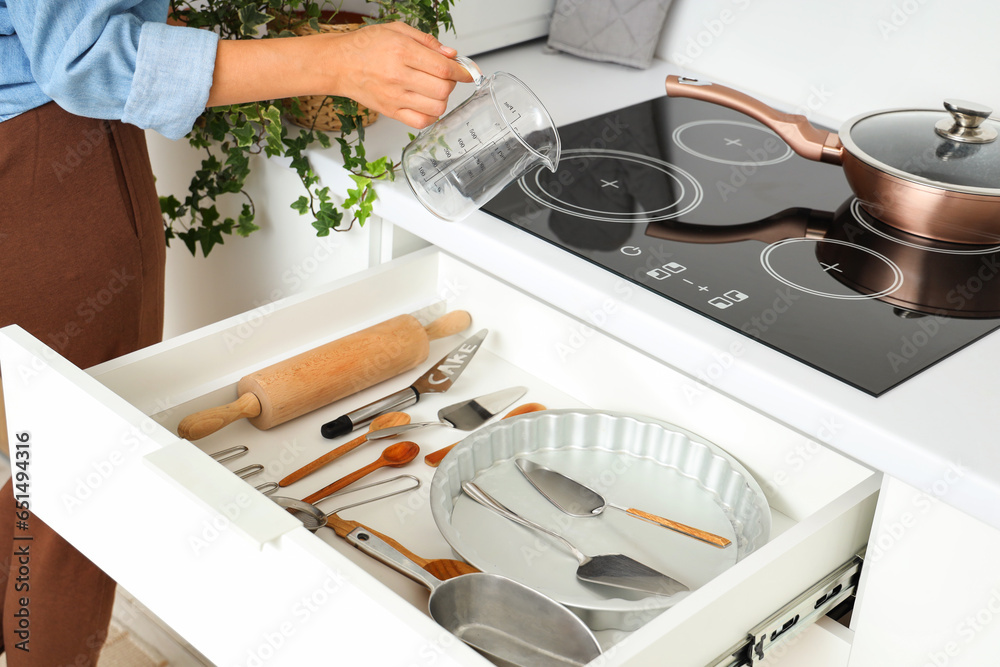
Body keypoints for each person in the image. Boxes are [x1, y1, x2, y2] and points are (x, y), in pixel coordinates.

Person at [0, 2, 470, 662]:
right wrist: (341, 60)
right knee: (72, 484)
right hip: (44, 164)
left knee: (34, 454)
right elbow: (86, 59)